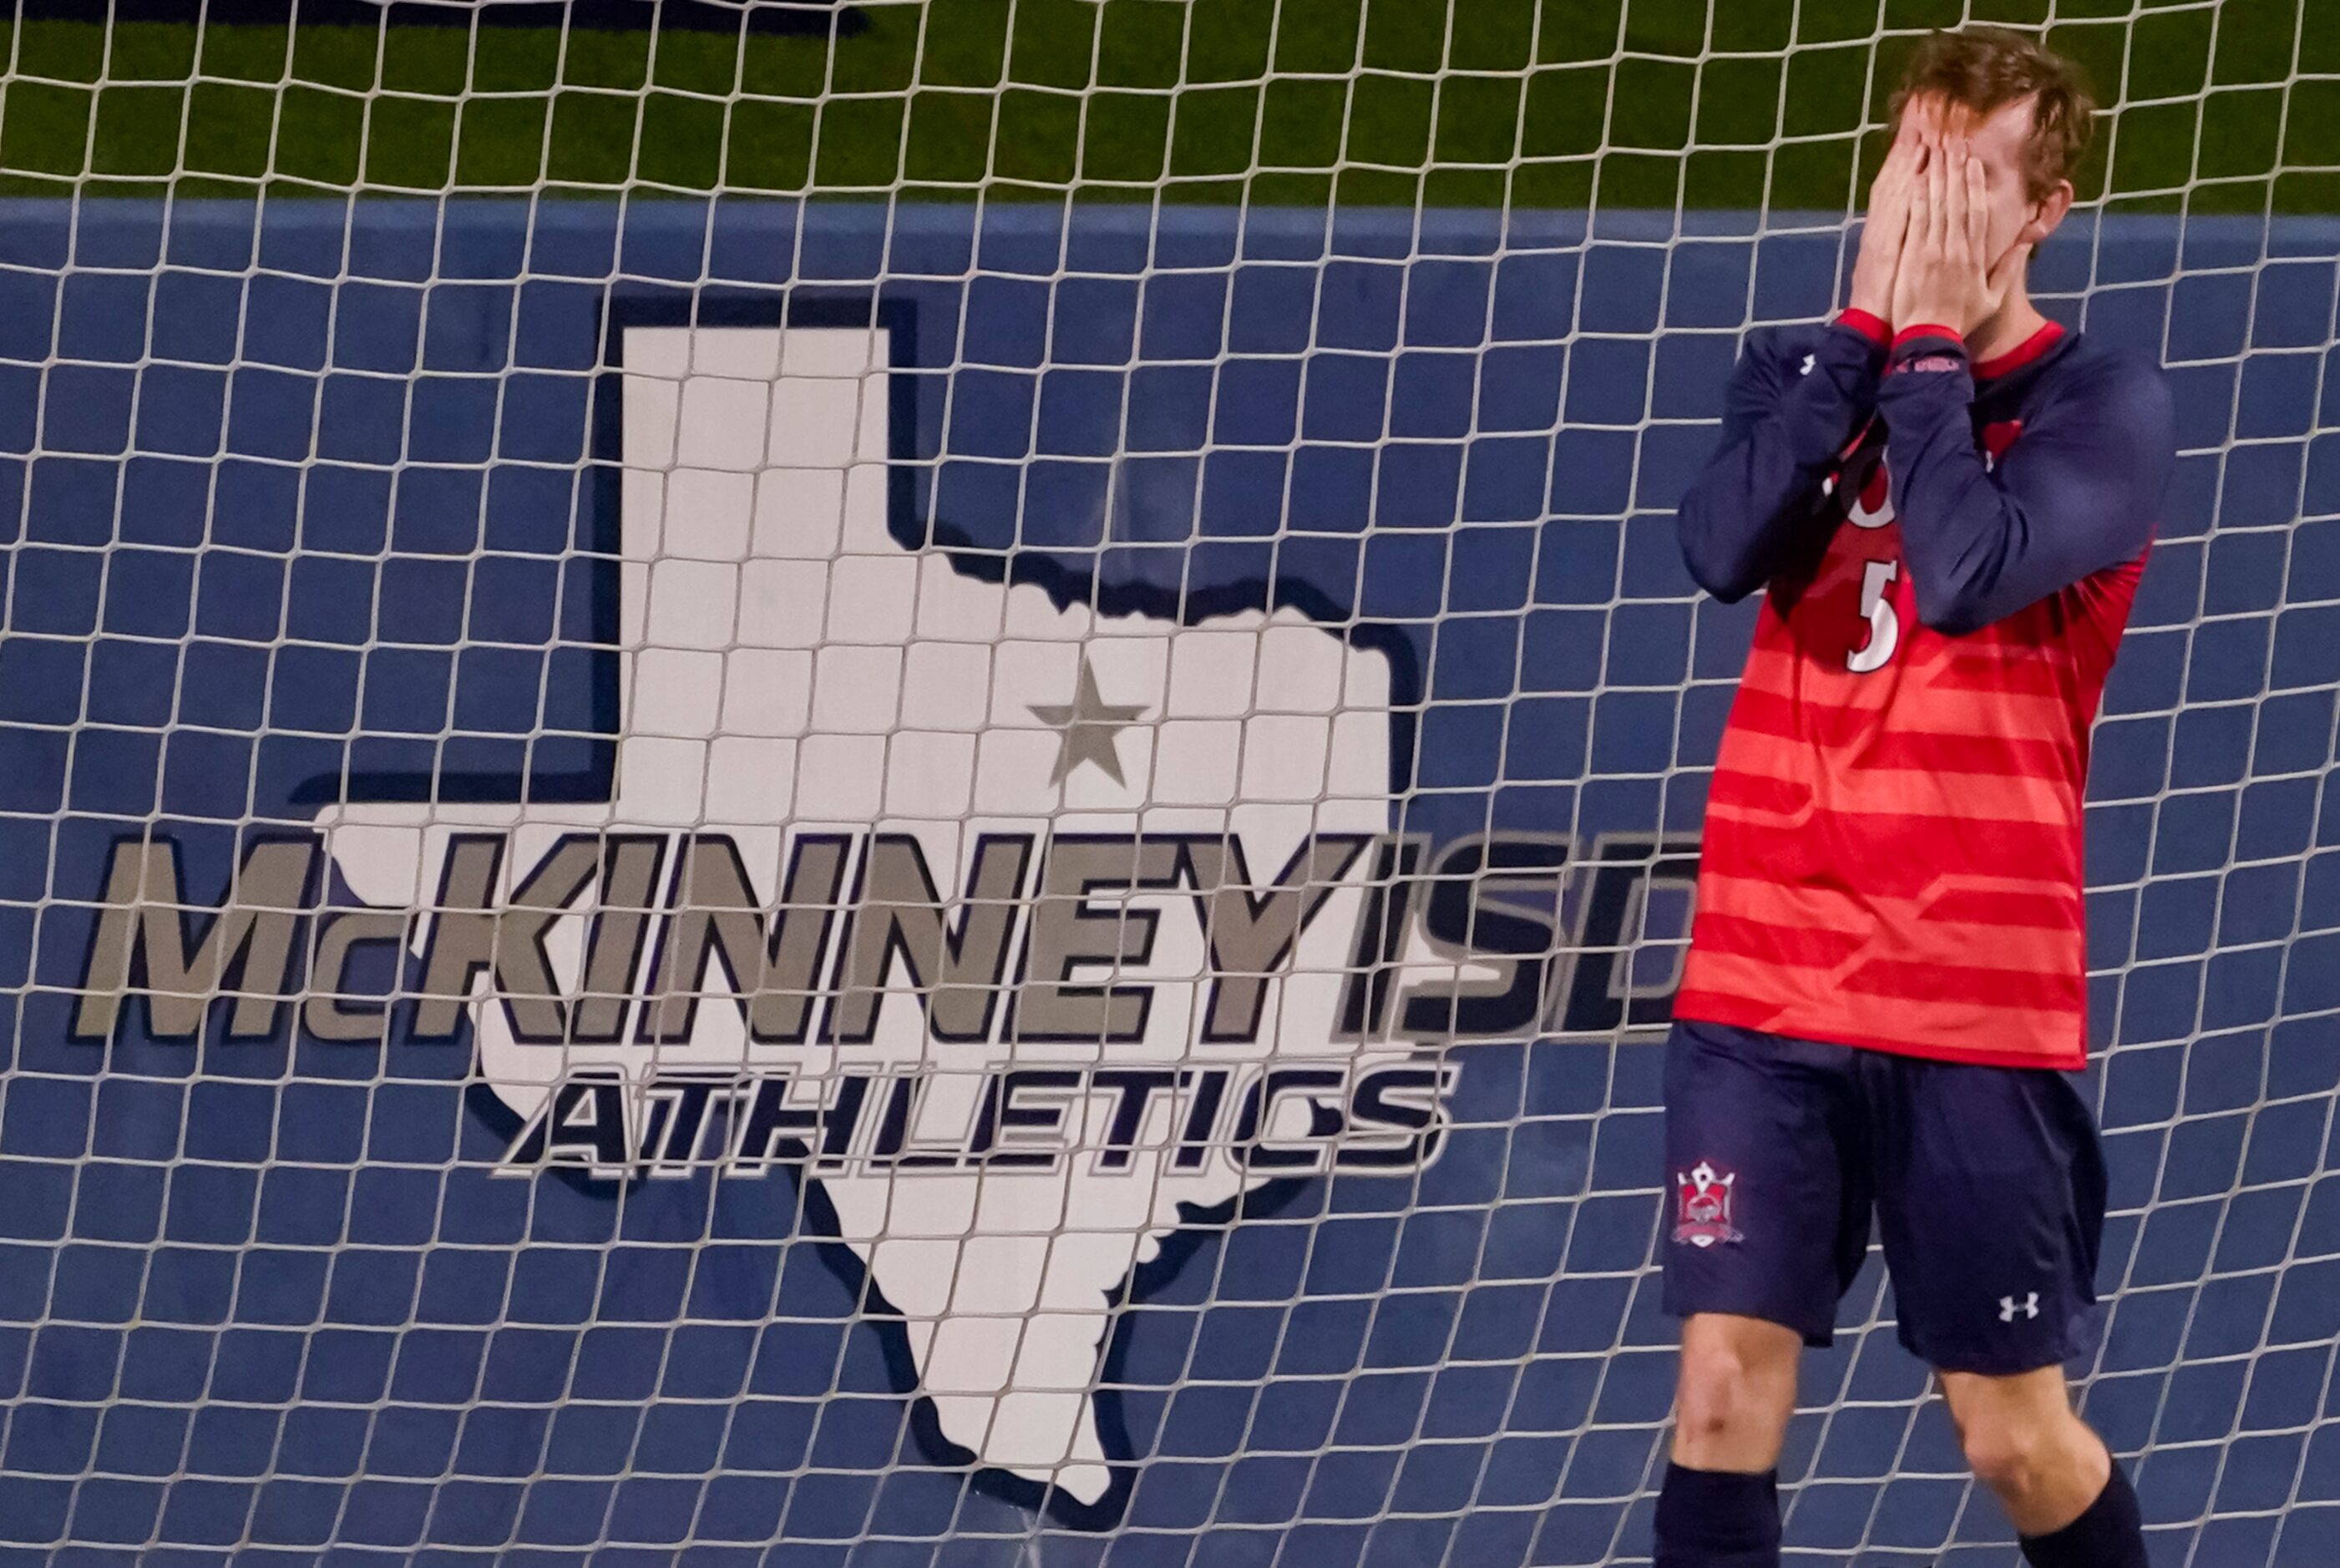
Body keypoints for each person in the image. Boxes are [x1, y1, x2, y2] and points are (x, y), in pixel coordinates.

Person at [1655, 25, 2176, 1568]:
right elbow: (1717, 542)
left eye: (1971, 180)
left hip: (1970, 998)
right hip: (1762, 979)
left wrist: (1932, 352)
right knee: (1717, 1397)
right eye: (1910, 167)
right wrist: (1868, 336)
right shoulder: (1799, 371)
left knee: (2007, 1434)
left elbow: (1960, 572)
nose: (1928, 207)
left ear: (2042, 213)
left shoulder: (2102, 403)